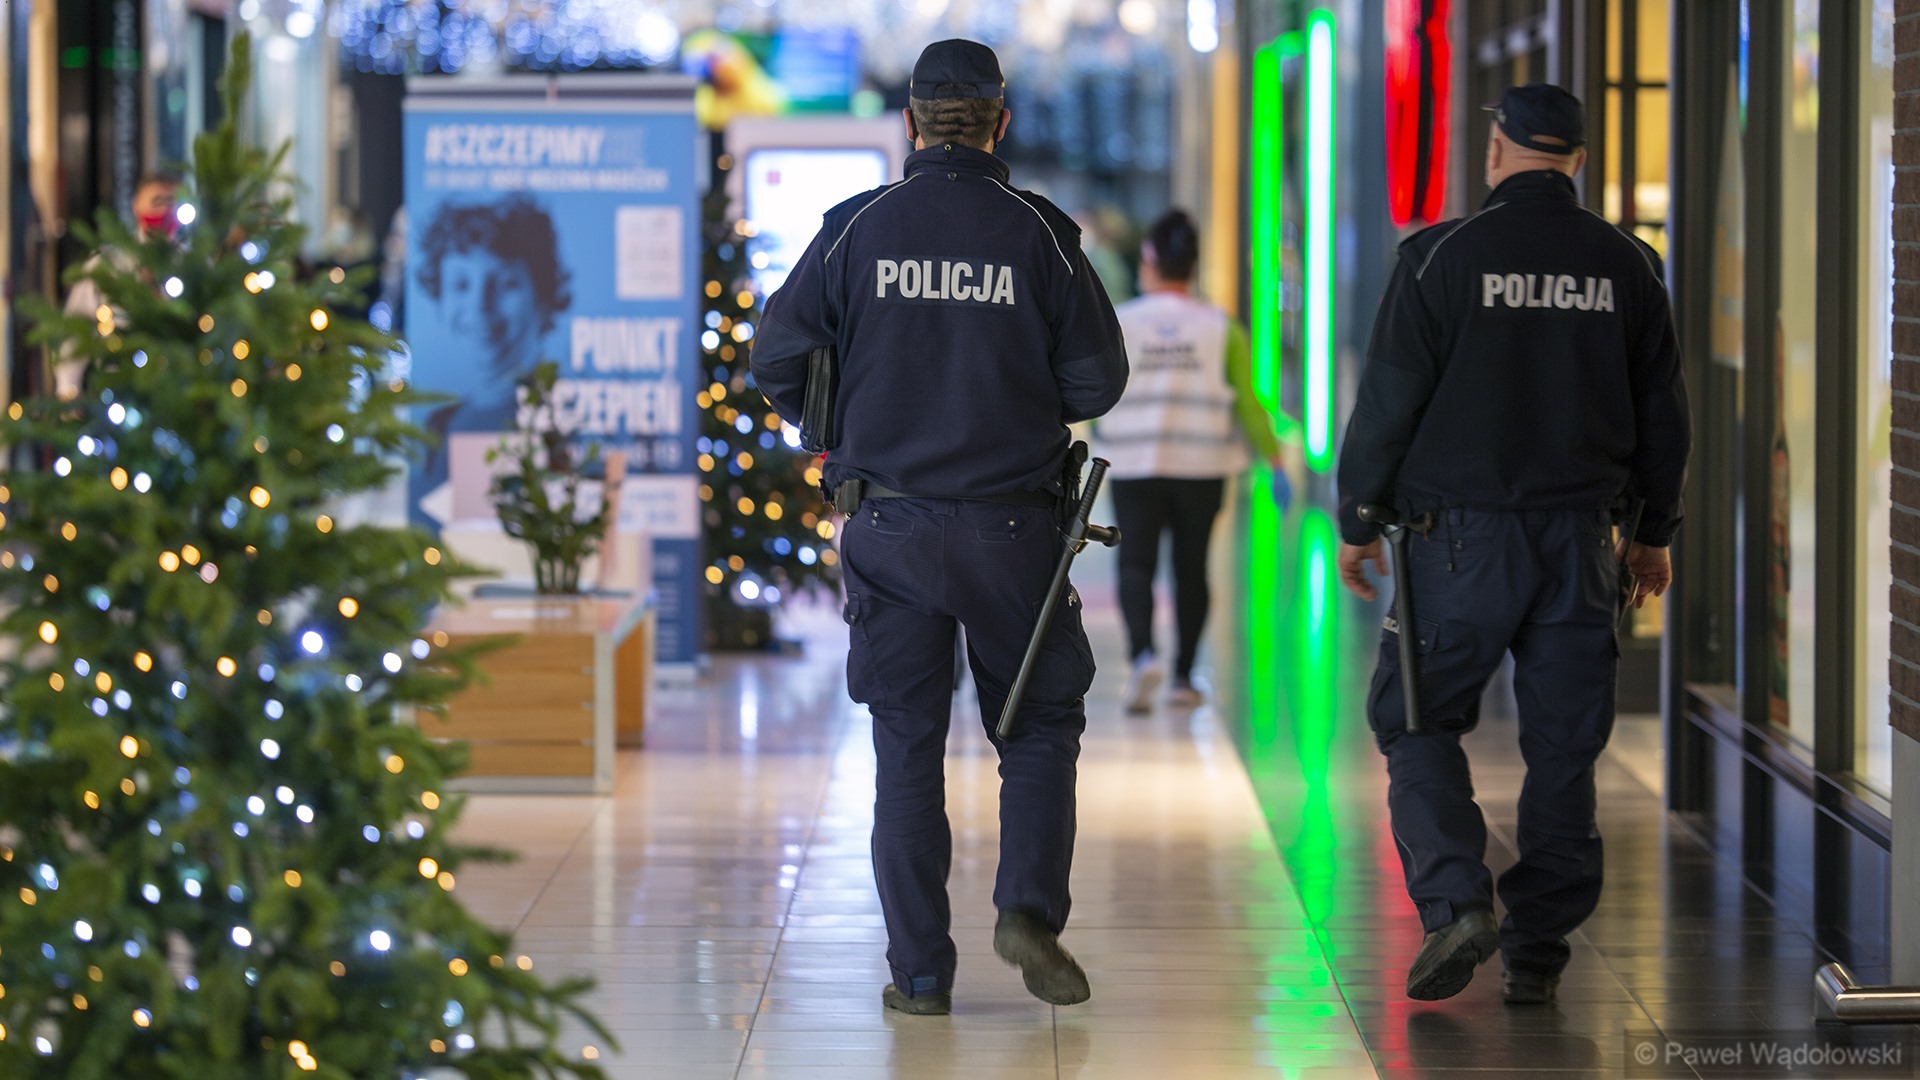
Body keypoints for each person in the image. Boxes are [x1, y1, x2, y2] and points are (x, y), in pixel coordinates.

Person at [750, 39, 1127, 1017]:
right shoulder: (1041, 235)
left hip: (889, 523)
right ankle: (1029, 912)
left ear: (909, 124)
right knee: (1039, 725)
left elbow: (777, 354)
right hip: (1017, 532)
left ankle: (920, 974)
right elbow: (1098, 381)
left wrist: (835, 428)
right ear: (1003, 124)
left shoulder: (854, 229)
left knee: (906, 745)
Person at [1334, 84, 1690, 1006]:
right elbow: (1665, 420)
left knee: (1415, 717)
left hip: (1457, 542)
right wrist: (1652, 534)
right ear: (1576, 157)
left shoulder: (1440, 257)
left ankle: (1457, 900)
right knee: (1566, 747)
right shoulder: (1630, 265)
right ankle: (1539, 948)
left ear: (1497, 151)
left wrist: (1358, 517)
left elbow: (1388, 403)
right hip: (1581, 543)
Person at [1096, 208, 1297, 713]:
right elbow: (1248, 402)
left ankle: (1143, 656)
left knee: (1136, 565)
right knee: (1192, 569)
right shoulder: (1220, 327)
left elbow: (1096, 387)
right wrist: (1273, 461)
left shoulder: (1121, 321)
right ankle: (1184, 677)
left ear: (1148, 260)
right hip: (1203, 465)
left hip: (1135, 461)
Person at [413, 194, 572, 432]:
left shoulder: (567, 425)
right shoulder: (437, 427)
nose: (480, 307)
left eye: (506, 284)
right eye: (461, 285)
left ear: (543, 298)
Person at [58, 170, 183, 398]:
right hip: (116, 393)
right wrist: (68, 391)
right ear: (137, 206)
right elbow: (75, 330)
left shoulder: (192, 265)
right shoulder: (107, 265)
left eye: (171, 202)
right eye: (156, 201)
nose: (165, 210)